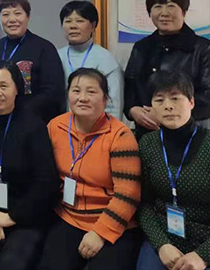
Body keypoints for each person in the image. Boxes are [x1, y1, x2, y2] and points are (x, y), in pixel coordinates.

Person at [137, 71, 210, 270]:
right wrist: (161, 244)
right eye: (159, 100)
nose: (168, 106)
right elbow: (144, 204)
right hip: (167, 239)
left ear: (191, 102)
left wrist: (203, 256)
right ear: (151, 107)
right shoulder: (148, 145)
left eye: (175, 98)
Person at [37, 68, 142, 270]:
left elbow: (128, 194)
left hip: (112, 221)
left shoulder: (120, 136)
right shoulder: (55, 127)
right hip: (68, 217)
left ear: (105, 99)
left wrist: (100, 232)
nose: (83, 98)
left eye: (91, 92)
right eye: (76, 91)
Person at [0, 59, 60, 270]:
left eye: (4, 86)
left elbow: (46, 183)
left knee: (10, 264)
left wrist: (10, 217)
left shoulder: (34, 125)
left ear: (17, 88)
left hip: (27, 216)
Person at [124, 0, 210, 137]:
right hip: (149, 133)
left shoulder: (205, 49)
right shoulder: (142, 48)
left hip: (193, 133)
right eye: (157, 7)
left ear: (183, 11)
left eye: (171, 6)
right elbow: (130, 87)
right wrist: (132, 110)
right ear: (150, 13)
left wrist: (165, 112)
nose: (164, 13)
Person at [0, 0, 65, 122]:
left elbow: (53, 91)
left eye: (17, 13)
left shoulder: (44, 48)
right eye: (5, 14)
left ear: (28, 16)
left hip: (34, 120)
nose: (12, 19)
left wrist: (19, 108)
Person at [57, 0, 124, 119]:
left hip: (95, 125)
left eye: (79, 21)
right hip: (61, 125)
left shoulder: (105, 59)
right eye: (68, 21)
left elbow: (114, 105)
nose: (73, 26)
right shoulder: (55, 56)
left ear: (93, 25)